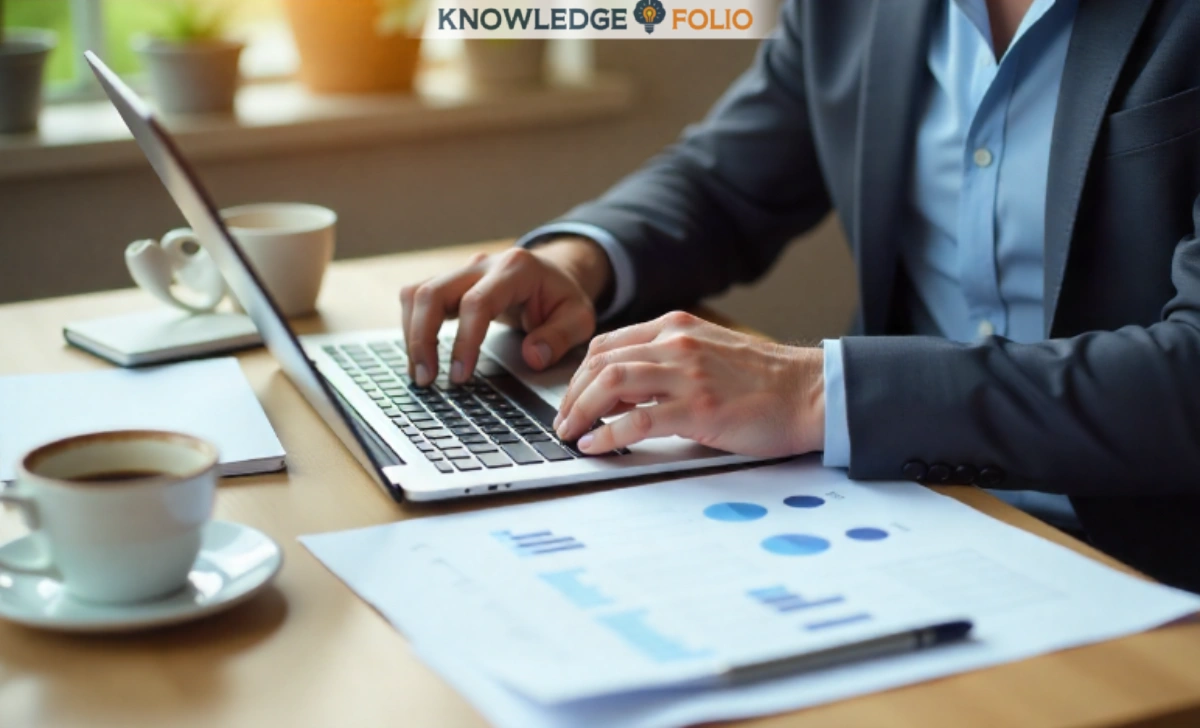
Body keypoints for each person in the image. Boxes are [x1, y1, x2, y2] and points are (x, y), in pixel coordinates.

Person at [400, 0, 1200, 592]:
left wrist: (816, 389)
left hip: (1147, 555)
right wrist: (578, 263)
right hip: (901, 513)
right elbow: (726, 179)